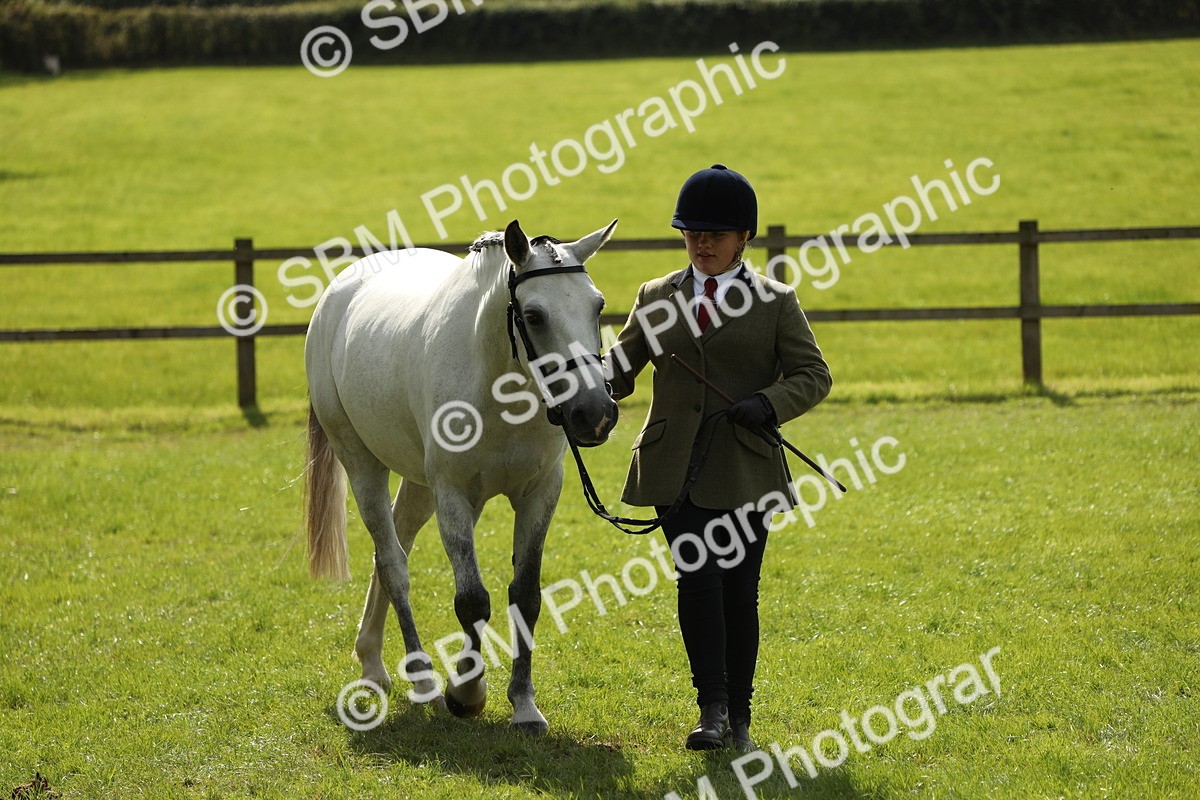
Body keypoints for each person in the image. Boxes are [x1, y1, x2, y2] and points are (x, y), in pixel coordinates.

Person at [604, 164, 832, 751]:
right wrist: (579, 380)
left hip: (745, 468)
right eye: (692, 233)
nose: (702, 244)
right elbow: (619, 370)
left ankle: (741, 715)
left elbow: (814, 375)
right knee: (698, 580)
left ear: (743, 238)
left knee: (738, 592)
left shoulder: (775, 301)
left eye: (715, 234)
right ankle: (712, 710)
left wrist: (769, 403)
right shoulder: (656, 296)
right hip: (672, 467)